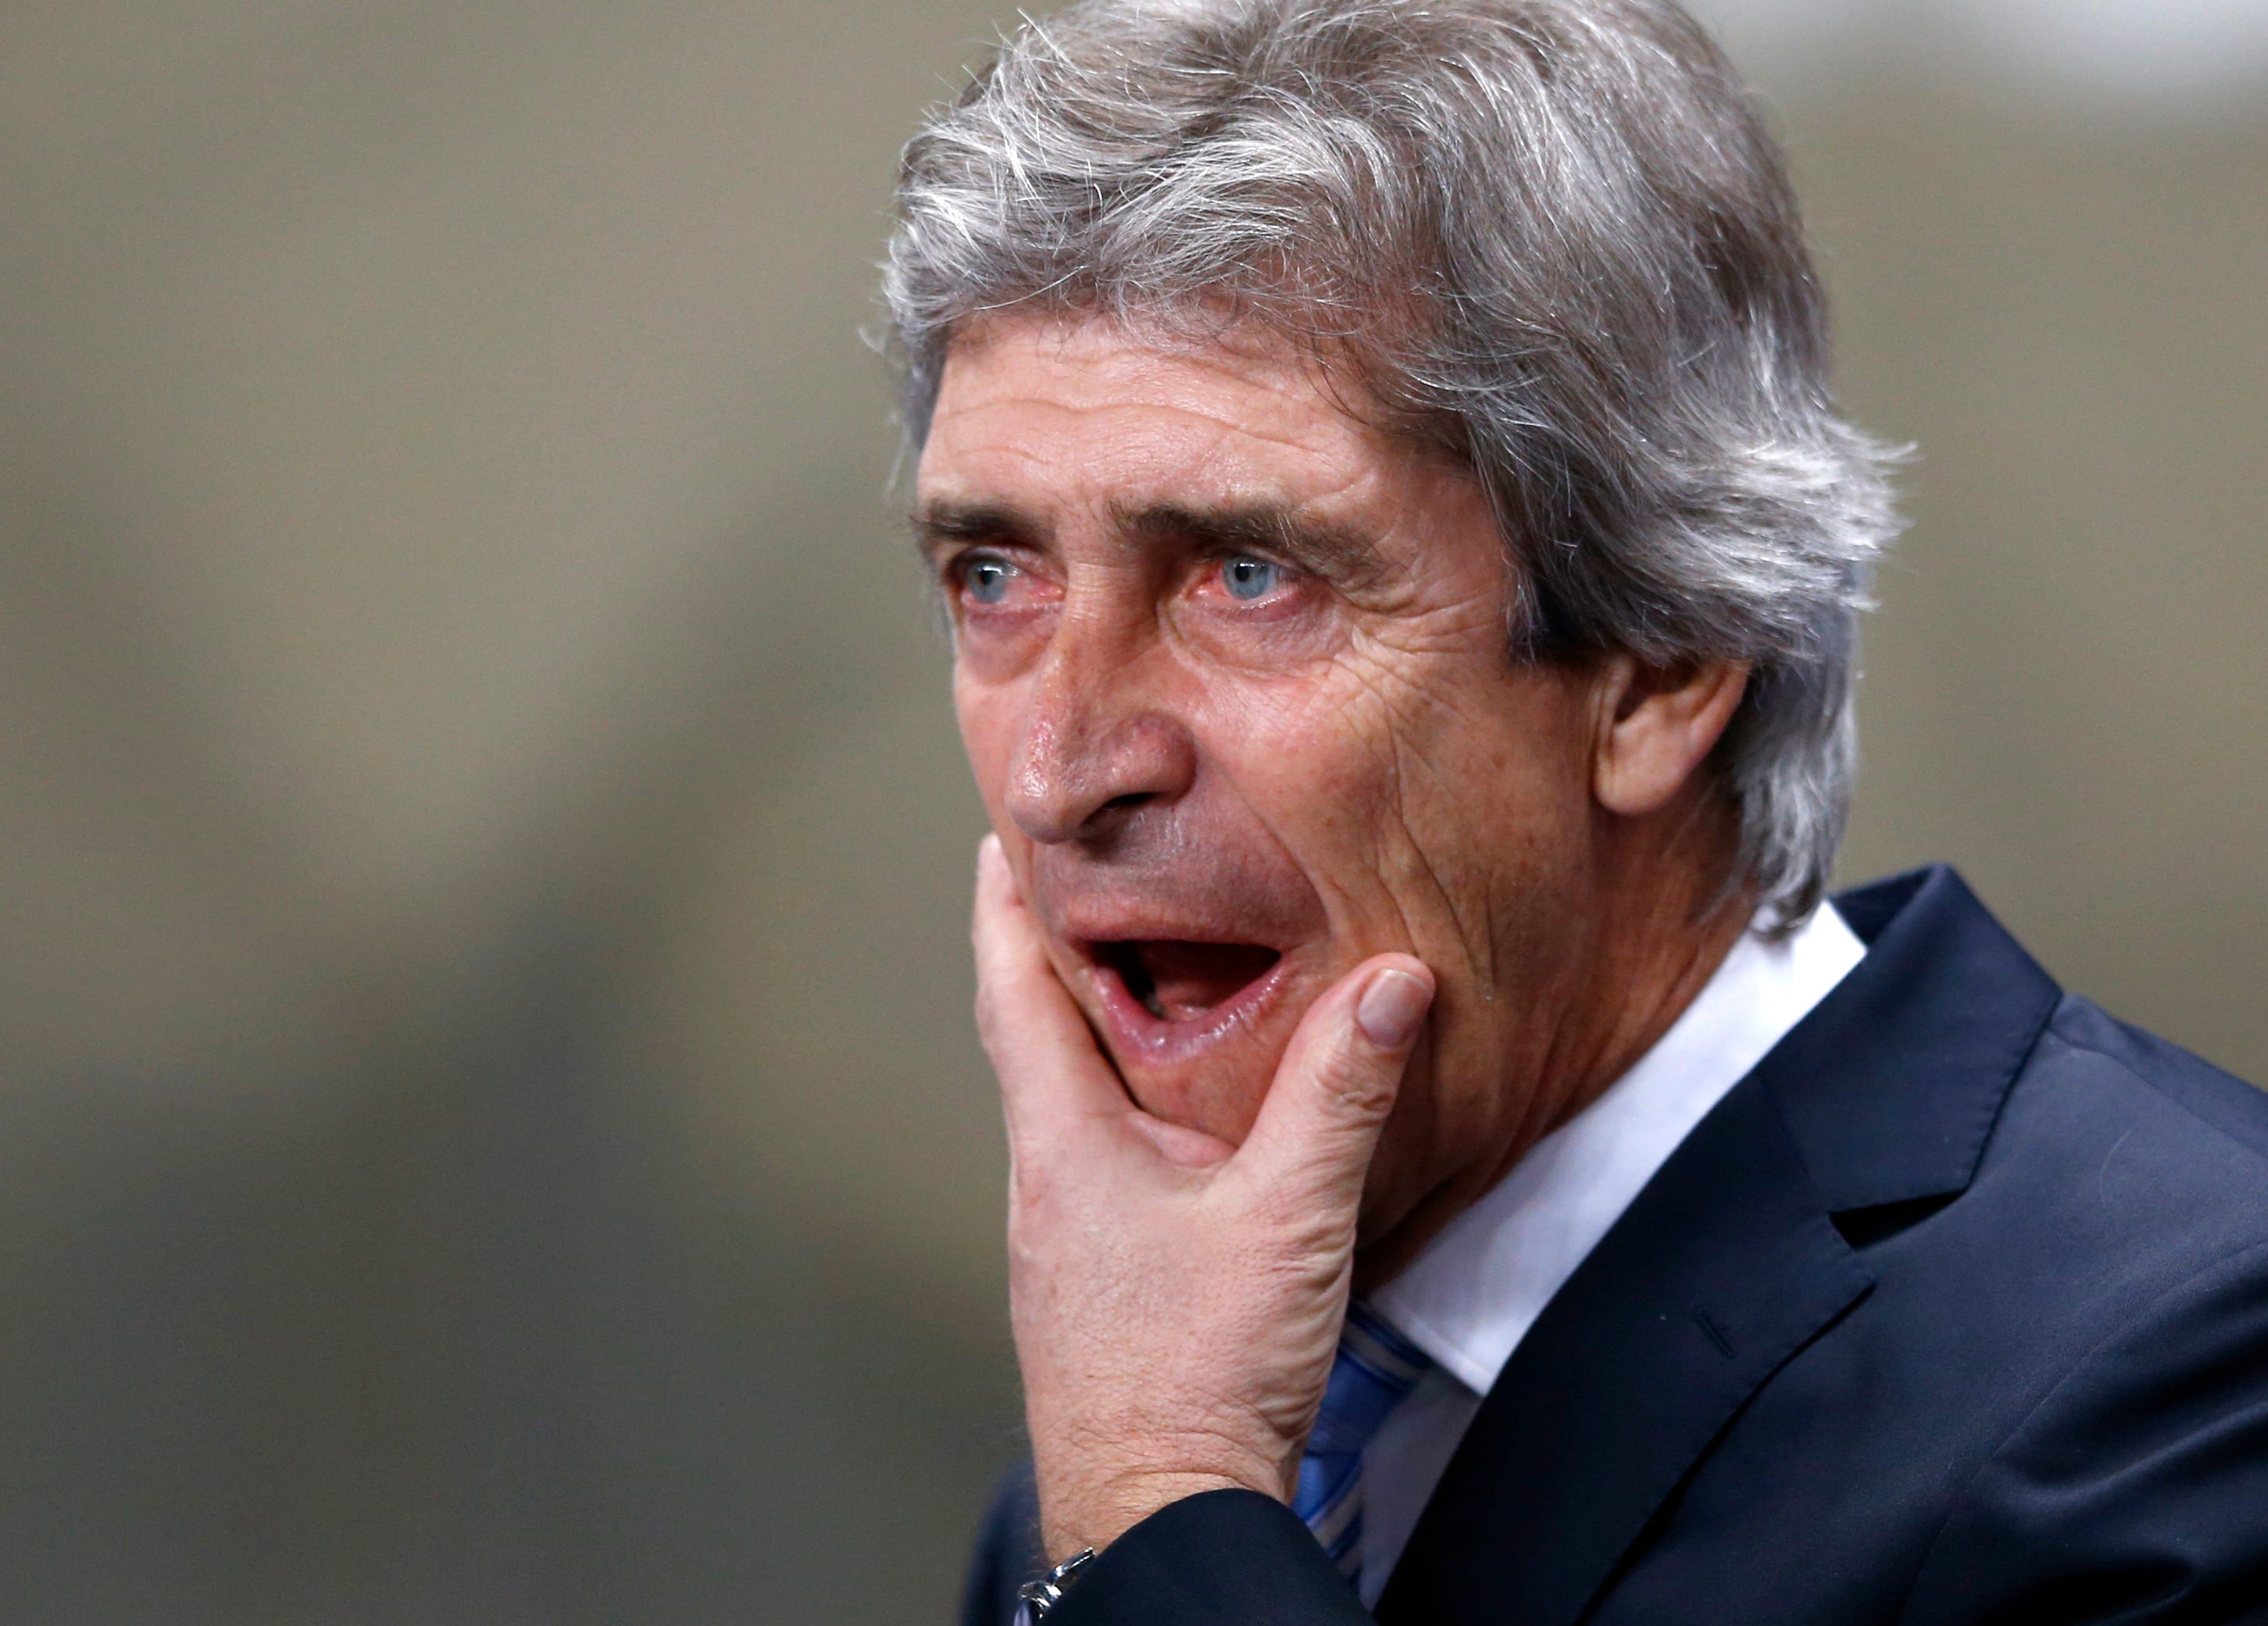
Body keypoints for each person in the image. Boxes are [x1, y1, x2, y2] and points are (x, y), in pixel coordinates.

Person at [880, 2, 2268, 1621]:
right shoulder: (1127, 1441)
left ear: (1661, 658)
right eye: (997, 576)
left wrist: (1164, 1510)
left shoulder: (2181, 1381)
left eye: (1249, 576)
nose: (1058, 773)